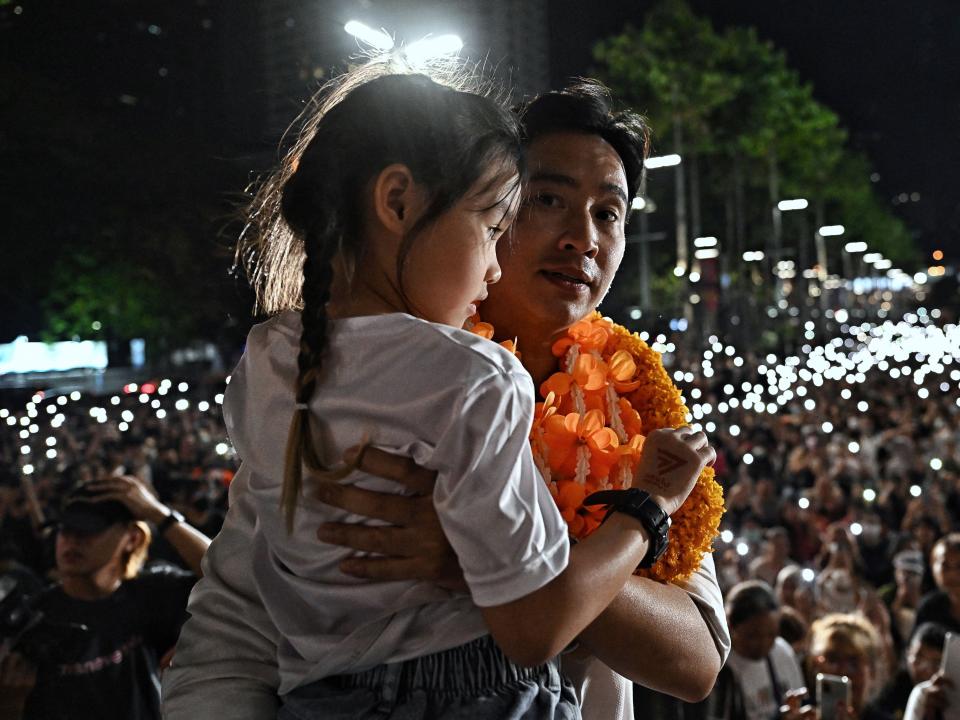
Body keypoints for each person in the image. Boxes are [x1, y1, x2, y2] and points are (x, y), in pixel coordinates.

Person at [162, 68, 728, 719]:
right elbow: (233, 633)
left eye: (609, 213)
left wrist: (472, 563)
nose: (584, 237)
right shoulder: (355, 387)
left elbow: (697, 661)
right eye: (544, 200)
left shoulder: (633, 413)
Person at [0, 475, 210, 720]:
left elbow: (229, 575)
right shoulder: (33, 620)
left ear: (131, 539)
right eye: (65, 528)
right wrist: (9, 707)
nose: (72, 539)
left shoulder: (150, 592)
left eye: (89, 529)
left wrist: (158, 514)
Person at [701, 580, 805, 720]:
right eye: (753, 636)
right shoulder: (717, 667)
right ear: (730, 627)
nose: (764, 643)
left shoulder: (782, 652)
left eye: (771, 635)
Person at [871, 622, 947, 720]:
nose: (924, 668)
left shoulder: (948, 699)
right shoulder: (893, 689)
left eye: (936, 662)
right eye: (918, 657)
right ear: (907, 654)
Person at [914, 533, 960, 635]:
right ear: (932, 565)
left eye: (959, 567)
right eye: (945, 566)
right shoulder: (929, 607)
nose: (953, 574)